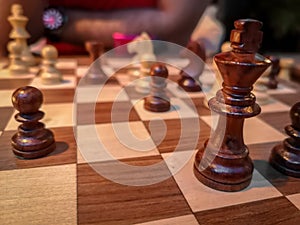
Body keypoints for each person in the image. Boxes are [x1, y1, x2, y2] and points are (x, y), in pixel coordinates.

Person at [0, 0, 210, 56]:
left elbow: (174, 26)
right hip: (57, 76)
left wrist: (56, 20)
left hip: (159, 67)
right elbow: (10, 34)